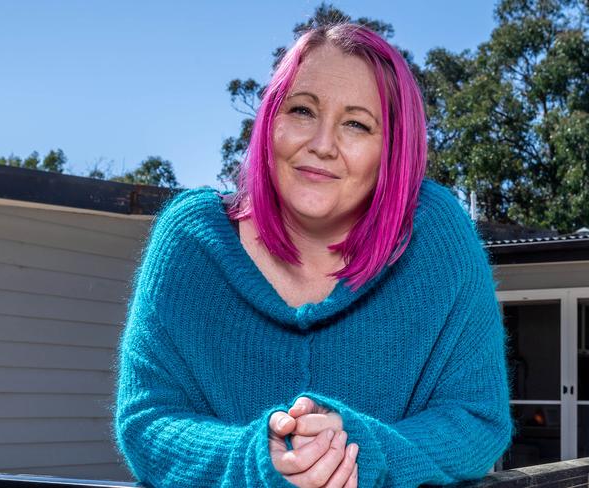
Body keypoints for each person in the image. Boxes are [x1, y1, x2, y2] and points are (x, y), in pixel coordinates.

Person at [112, 22, 514, 488]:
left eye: (357, 124)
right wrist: (254, 456)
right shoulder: (189, 242)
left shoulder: (437, 235)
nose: (322, 145)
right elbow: (146, 421)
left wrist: (358, 451)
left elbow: (477, 419)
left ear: (391, 150)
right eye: (302, 110)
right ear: (270, 121)